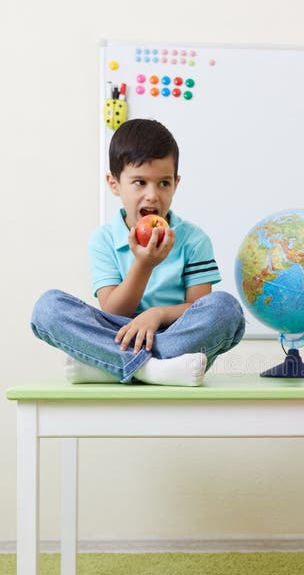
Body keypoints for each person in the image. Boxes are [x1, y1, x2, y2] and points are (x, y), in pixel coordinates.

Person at [31, 119, 245, 386]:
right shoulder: (104, 239)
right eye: (140, 182)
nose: (152, 195)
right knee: (48, 309)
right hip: (117, 332)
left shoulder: (193, 239)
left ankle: (108, 366)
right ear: (114, 183)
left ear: (176, 183)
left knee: (226, 309)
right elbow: (114, 308)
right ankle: (154, 370)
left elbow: (198, 307)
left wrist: (156, 315)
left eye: (164, 183)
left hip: (173, 333)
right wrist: (144, 265)